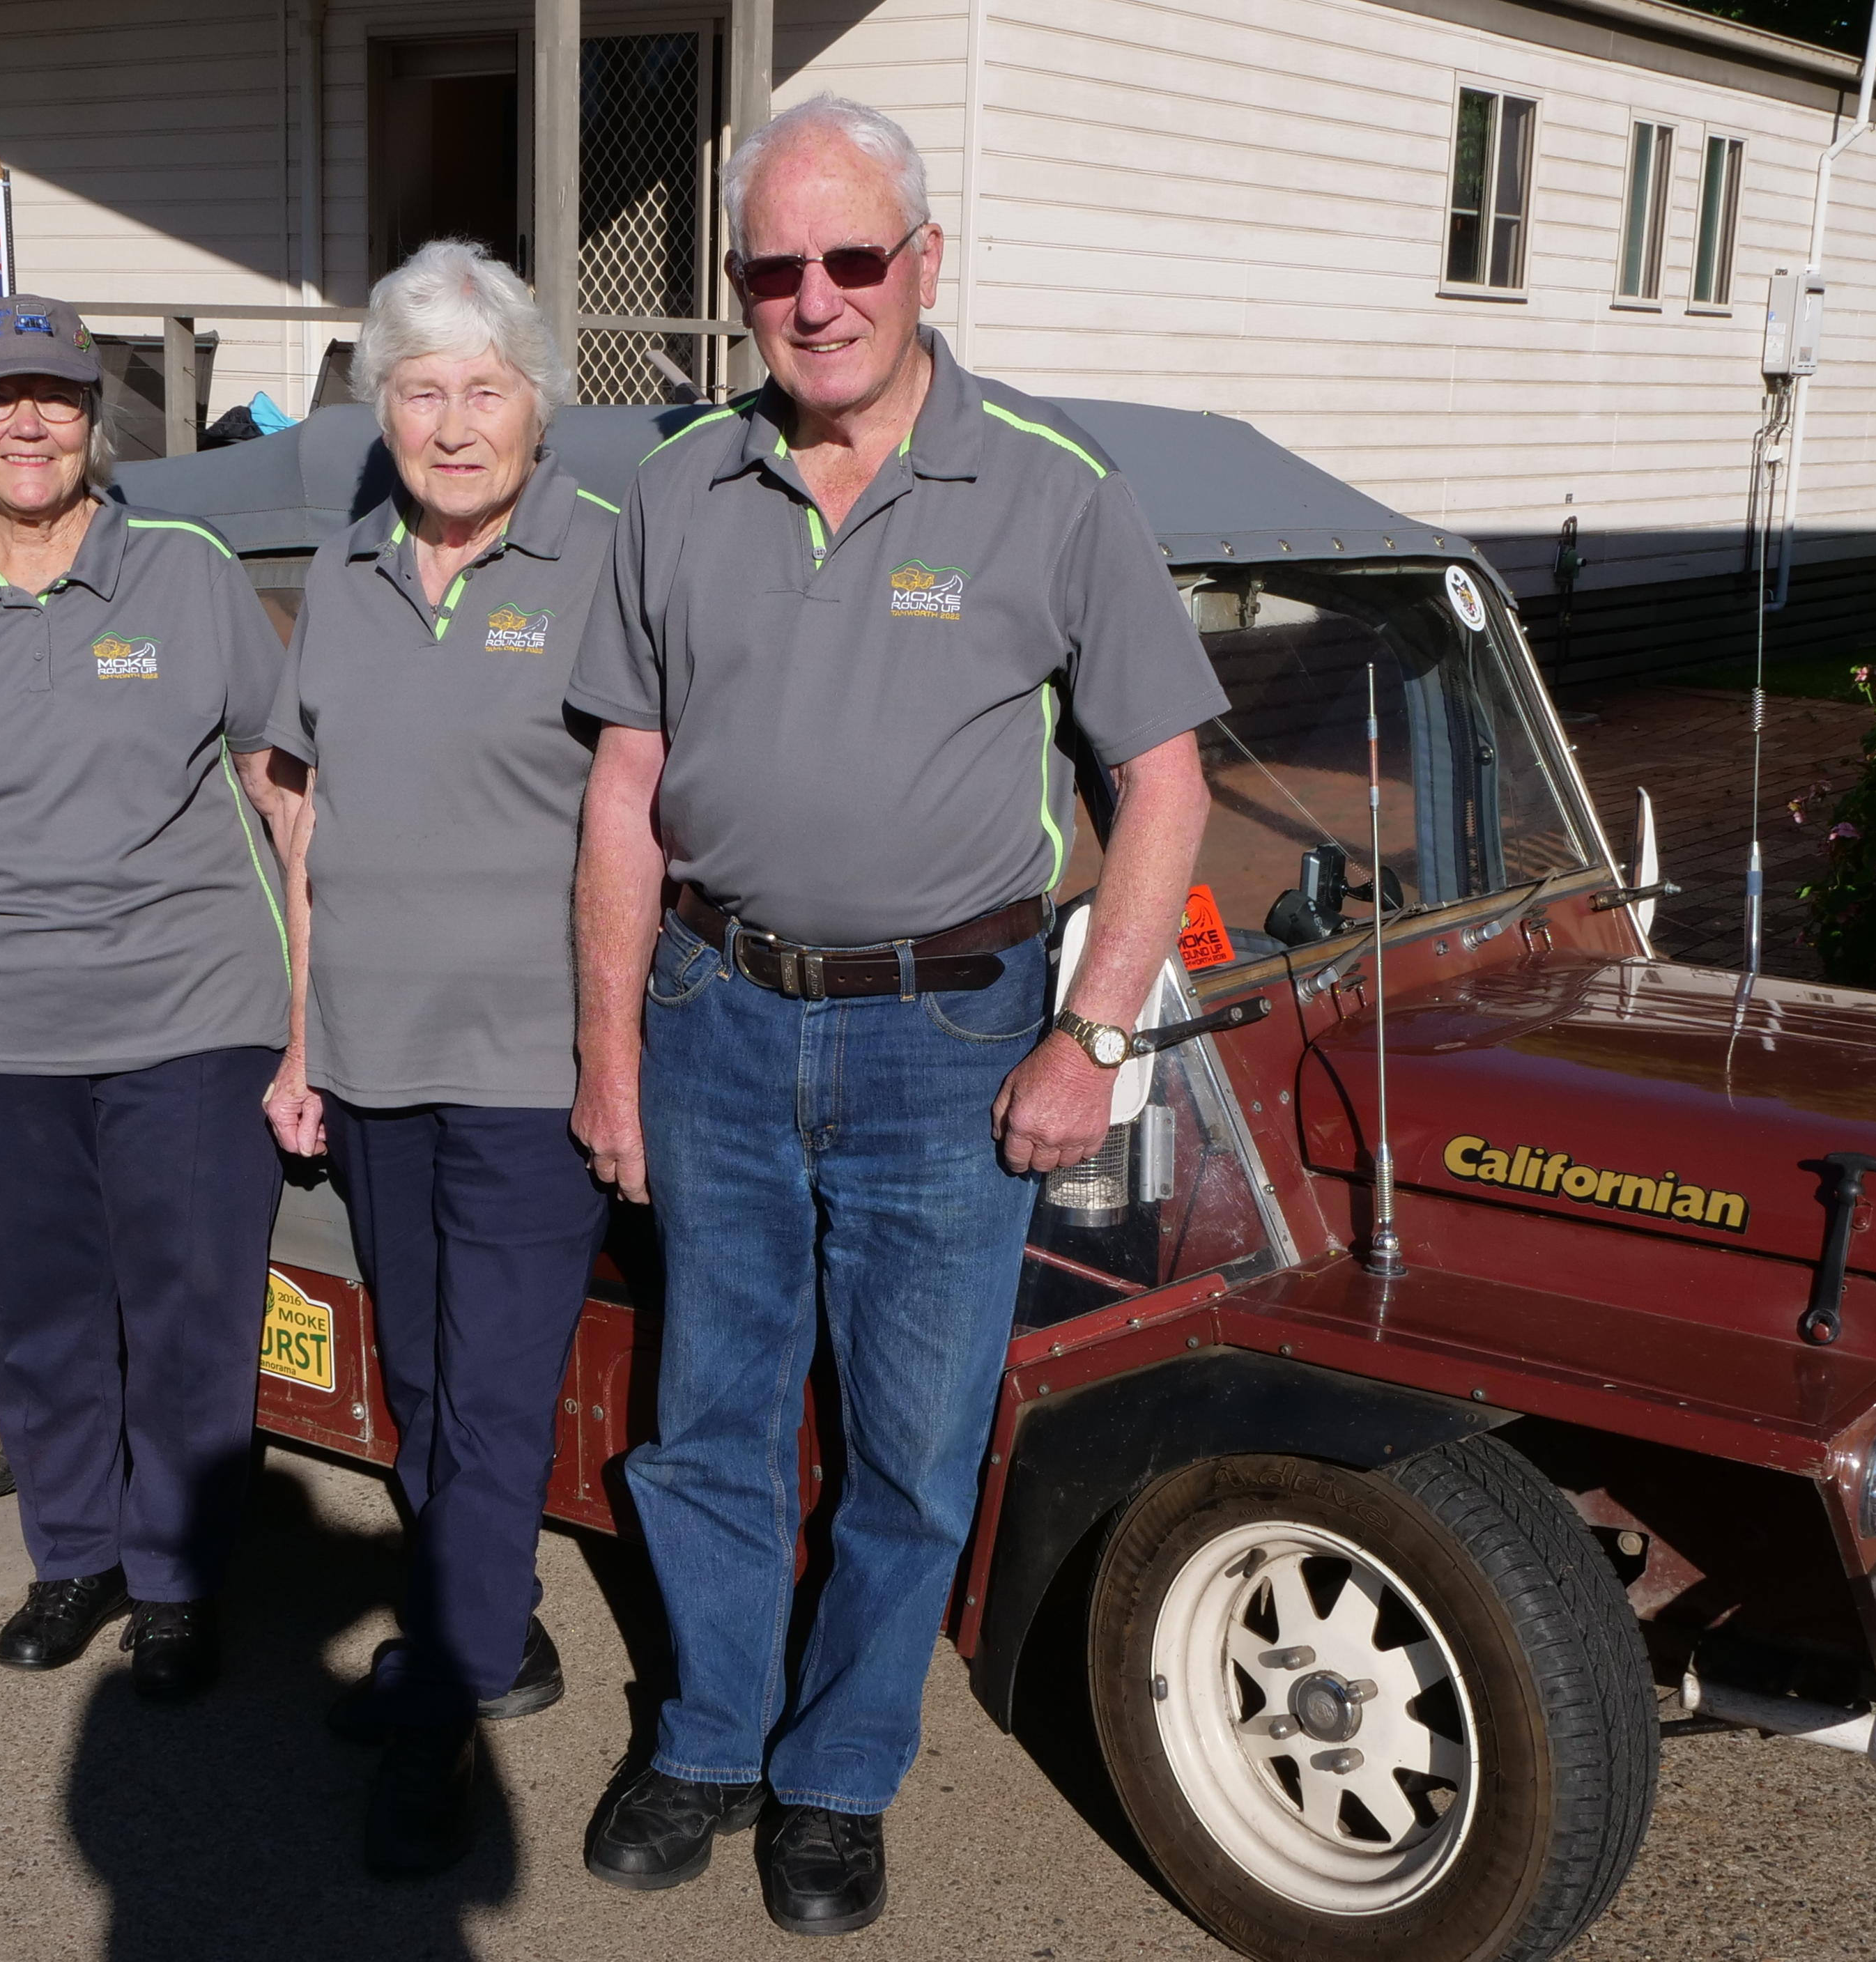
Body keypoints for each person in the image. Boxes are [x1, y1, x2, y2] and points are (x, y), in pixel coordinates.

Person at [564, 96, 1223, 1936]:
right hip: (714, 1013)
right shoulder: (681, 486)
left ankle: (837, 1775)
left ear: (926, 264)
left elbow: (1164, 784)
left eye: (855, 258)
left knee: (912, 1447)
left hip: (953, 1040)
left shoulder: (1053, 485)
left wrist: (1090, 1034)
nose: (818, 299)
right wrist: (609, 1045)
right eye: (776, 268)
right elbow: (627, 782)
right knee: (708, 1415)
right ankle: (704, 1733)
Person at [0, 294, 297, 1703]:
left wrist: (315, 1009)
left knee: (187, 1309)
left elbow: (285, 790)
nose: (24, 422)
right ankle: (76, 1552)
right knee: (39, 1313)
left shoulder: (187, 570)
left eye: (51, 396)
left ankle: (172, 1577)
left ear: (94, 421)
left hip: (191, 1013)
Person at [256, 240, 615, 1878]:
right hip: (379, 1053)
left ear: (536, 404)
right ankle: (502, 1632)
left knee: (487, 1388)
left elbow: (659, 822)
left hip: (538, 1061)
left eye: (483, 389)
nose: (453, 423)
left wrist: (624, 1054)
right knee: (413, 1380)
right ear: (380, 407)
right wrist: (302, 1032)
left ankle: (449, 1707)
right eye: (420, 390)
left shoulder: (611, 563)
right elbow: (306, 817)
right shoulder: (340, 576)